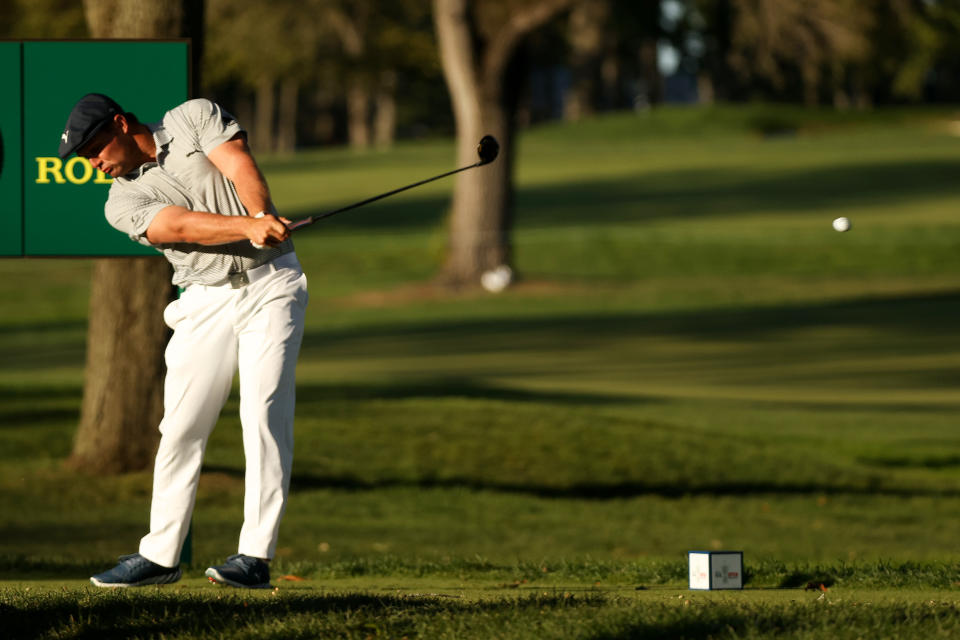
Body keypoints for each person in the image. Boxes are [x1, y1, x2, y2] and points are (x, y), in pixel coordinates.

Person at [59, 93, 308, 589]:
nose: (94, 163)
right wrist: (249, 226)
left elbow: (238, 163)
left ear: (122, 124)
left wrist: (261, 216)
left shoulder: (194, 118)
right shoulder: (120, 201)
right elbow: (178, 226)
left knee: (263, 411)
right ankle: (161, 555)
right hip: (202, 300)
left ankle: (254, 556)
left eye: (95, 149)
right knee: (180, 426)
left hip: (272, 283)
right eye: (86, 157)